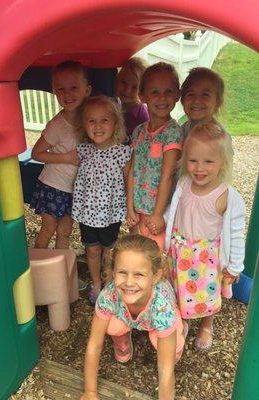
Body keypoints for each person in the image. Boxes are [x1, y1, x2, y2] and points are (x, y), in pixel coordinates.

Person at [165, 122, 245, 351]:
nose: (199, 168)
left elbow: (236, 234)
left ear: (223, 163)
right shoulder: (183, 183)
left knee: (209, 294)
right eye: (193, 160)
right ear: (185, 160)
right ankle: (184, 318)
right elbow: (174, 210)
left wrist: (235, 266)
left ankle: (207, 324)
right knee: (180, 287)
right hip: (180, 251)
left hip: (207, 259)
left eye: (208, 161)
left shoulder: (227, 196)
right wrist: (162, 219)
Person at [80, 234, 187, 400]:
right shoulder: (109, 295)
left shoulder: (162, 308)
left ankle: (180, 330)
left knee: (167, 351)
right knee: (111, 326)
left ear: (156, 276)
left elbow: (165, 370)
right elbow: (94, 344)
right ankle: (123, 340)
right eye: (122, 272)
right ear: (113, 272)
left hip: (155, 321)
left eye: (139, 274)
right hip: (127, 316)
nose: (129, 282)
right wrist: (90, 392)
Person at [71, 95, 132, 304]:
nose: (97, 126)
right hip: (87, 213)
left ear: (115, 123)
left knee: (109, 250)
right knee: (92, 249)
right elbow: (59, 160)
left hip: (110, 213)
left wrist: (130, 208)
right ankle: (96, 284)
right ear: (84, 125)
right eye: (91, 121)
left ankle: (108, 284)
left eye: (104, 120)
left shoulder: (122, 152)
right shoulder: (83, 150)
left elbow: (129, 181)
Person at [30, 60, 92, 249]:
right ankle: (38, 267)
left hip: (75, 188)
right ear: (54, 91)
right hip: (53, 186)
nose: (67, 94)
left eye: (74, 87)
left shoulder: (91, 120)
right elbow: (36, 153)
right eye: (61, 89)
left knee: (65, 231)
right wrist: (66, 158)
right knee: (48, 228)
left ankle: (60, 269)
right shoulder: (57, 125)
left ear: (87, 90)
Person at [127, 62, 183, 249]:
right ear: (142, 96)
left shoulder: (172, 132)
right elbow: (132, 172)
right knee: (137, 255)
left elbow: (168, 176)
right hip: (137, 212)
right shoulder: (138, 132)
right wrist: (130, 208)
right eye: (155, 92)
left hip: (157, 214)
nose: (162, 98)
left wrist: (158, 214)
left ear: (177, 94)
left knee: (155, 259)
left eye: (168, 91)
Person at [180, 67, 229, 139]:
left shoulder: (219, 138)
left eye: (205, 95)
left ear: (218, 101)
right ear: (182, 100)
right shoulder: (182, 131)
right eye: (190, 94)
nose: (196, 100)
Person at [115, 57, 149, 141]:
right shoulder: (113, 104)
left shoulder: (142, 113)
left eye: (134, 87)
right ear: (117, 79)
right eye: (124, 82)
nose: (127, 90)